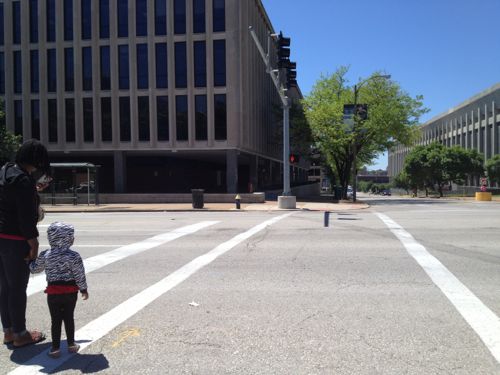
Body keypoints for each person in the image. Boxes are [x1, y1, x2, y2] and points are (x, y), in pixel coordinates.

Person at [0, 139, 50, 348]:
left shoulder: (5, 170)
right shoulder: (23, 181)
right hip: (16, 240)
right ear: (37, 159)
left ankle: (9, 331)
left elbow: (12, 200)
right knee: (18, 288)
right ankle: (21, 334)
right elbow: (25, 216)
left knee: (4, 287)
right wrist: (34, 243)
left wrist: (33, 189)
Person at [29, 222, 88, 358]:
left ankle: (55, 348)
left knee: (55, 320)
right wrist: (83, 289)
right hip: (70, 291)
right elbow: (79, 274)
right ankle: (72, 345)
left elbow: (35, 268)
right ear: (68, 239)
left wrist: (29, 262)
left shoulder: (46, 255)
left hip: (53, 291)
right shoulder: (74, 256)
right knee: (69, 317)